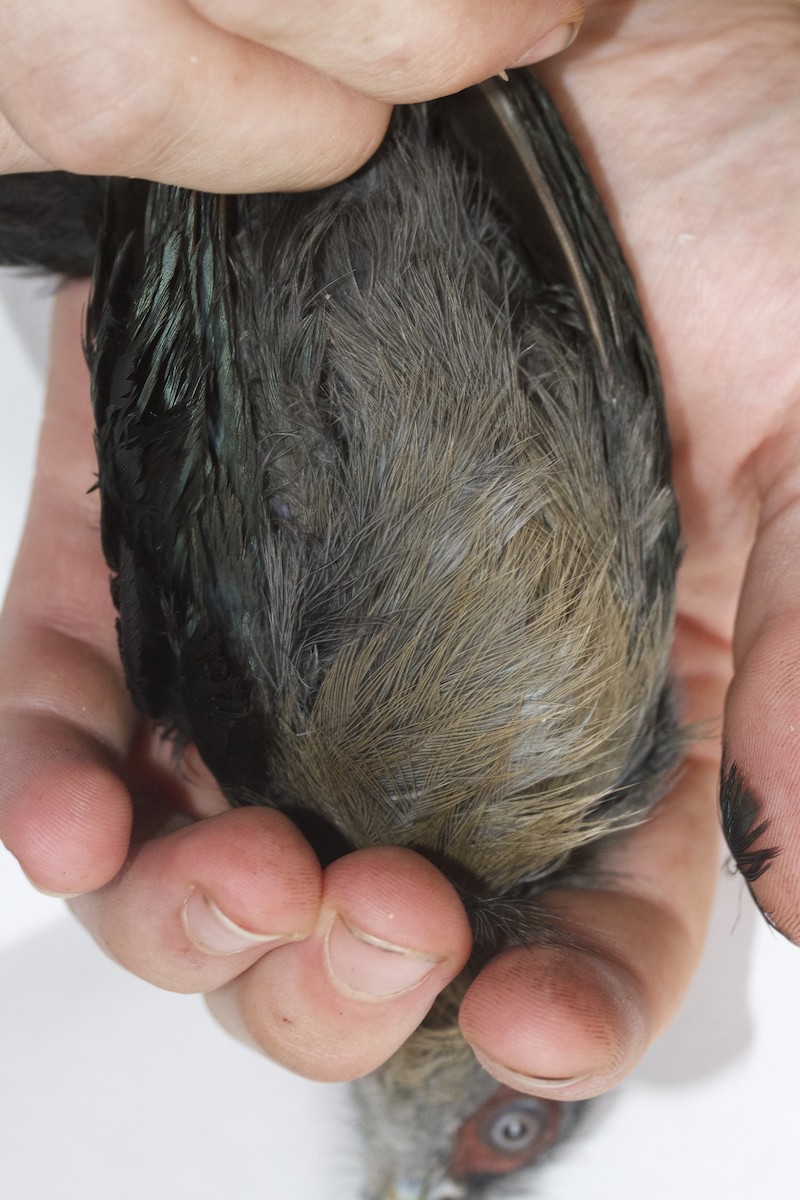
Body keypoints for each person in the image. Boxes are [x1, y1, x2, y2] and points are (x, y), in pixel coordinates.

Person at [0, 0, 796, 1098]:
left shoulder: (584, 741)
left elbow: (586, 339)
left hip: (465, 106)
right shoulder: (269, 743)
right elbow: (177, 392)